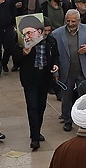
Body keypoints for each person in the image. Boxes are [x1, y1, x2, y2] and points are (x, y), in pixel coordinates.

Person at [49, 9, 86, 132]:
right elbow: (54, 55)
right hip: (66, 71)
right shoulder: (57, 33)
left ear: (79, 20)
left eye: (73, 21)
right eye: (68, 21)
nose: (70, 24)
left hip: (83, 70)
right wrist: (56, 72)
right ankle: (67, 120)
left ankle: (85, 121)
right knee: (66, 97)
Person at [18, 16, 57, 150]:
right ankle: (34, 137)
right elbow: (15, 58)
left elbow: (55, 56)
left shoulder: (51, 41)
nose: (46, 33)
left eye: (48, 31)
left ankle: (36, 130)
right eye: (44, 30)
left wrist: (55, 65)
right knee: (32, 106)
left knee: (41, 106)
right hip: (30, 77)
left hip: (44, 77)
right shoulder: (26, 41)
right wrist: (23, 53)